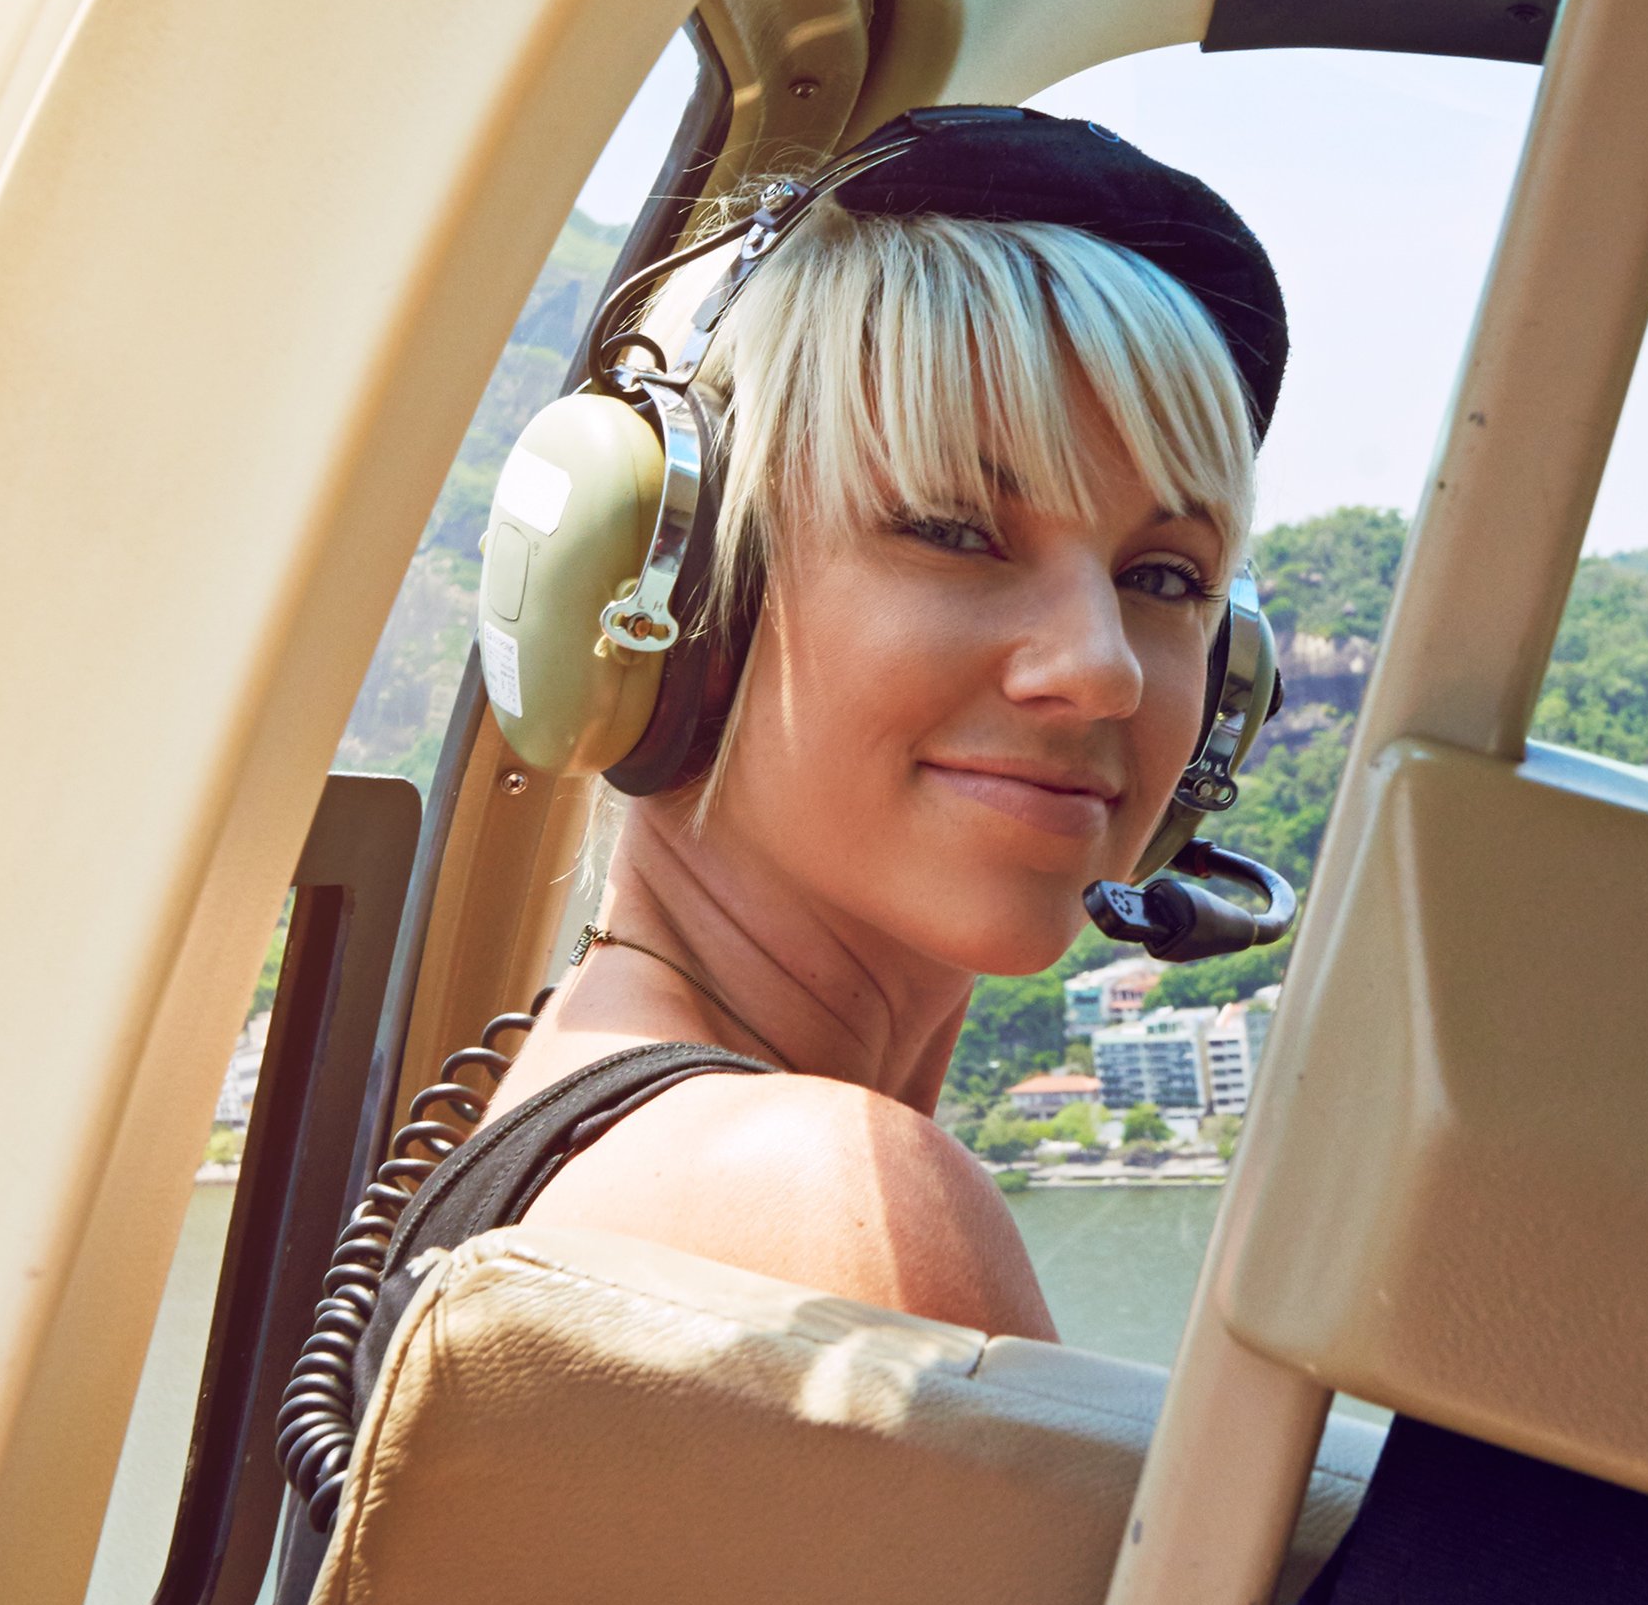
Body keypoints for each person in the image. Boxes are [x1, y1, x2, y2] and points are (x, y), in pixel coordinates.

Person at [454, 108, 1286, 1341]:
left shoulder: (596, 1103)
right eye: (952, 530)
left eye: (1162, 577)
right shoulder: (822, 1204)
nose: (1101, 670)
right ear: (691, 601)